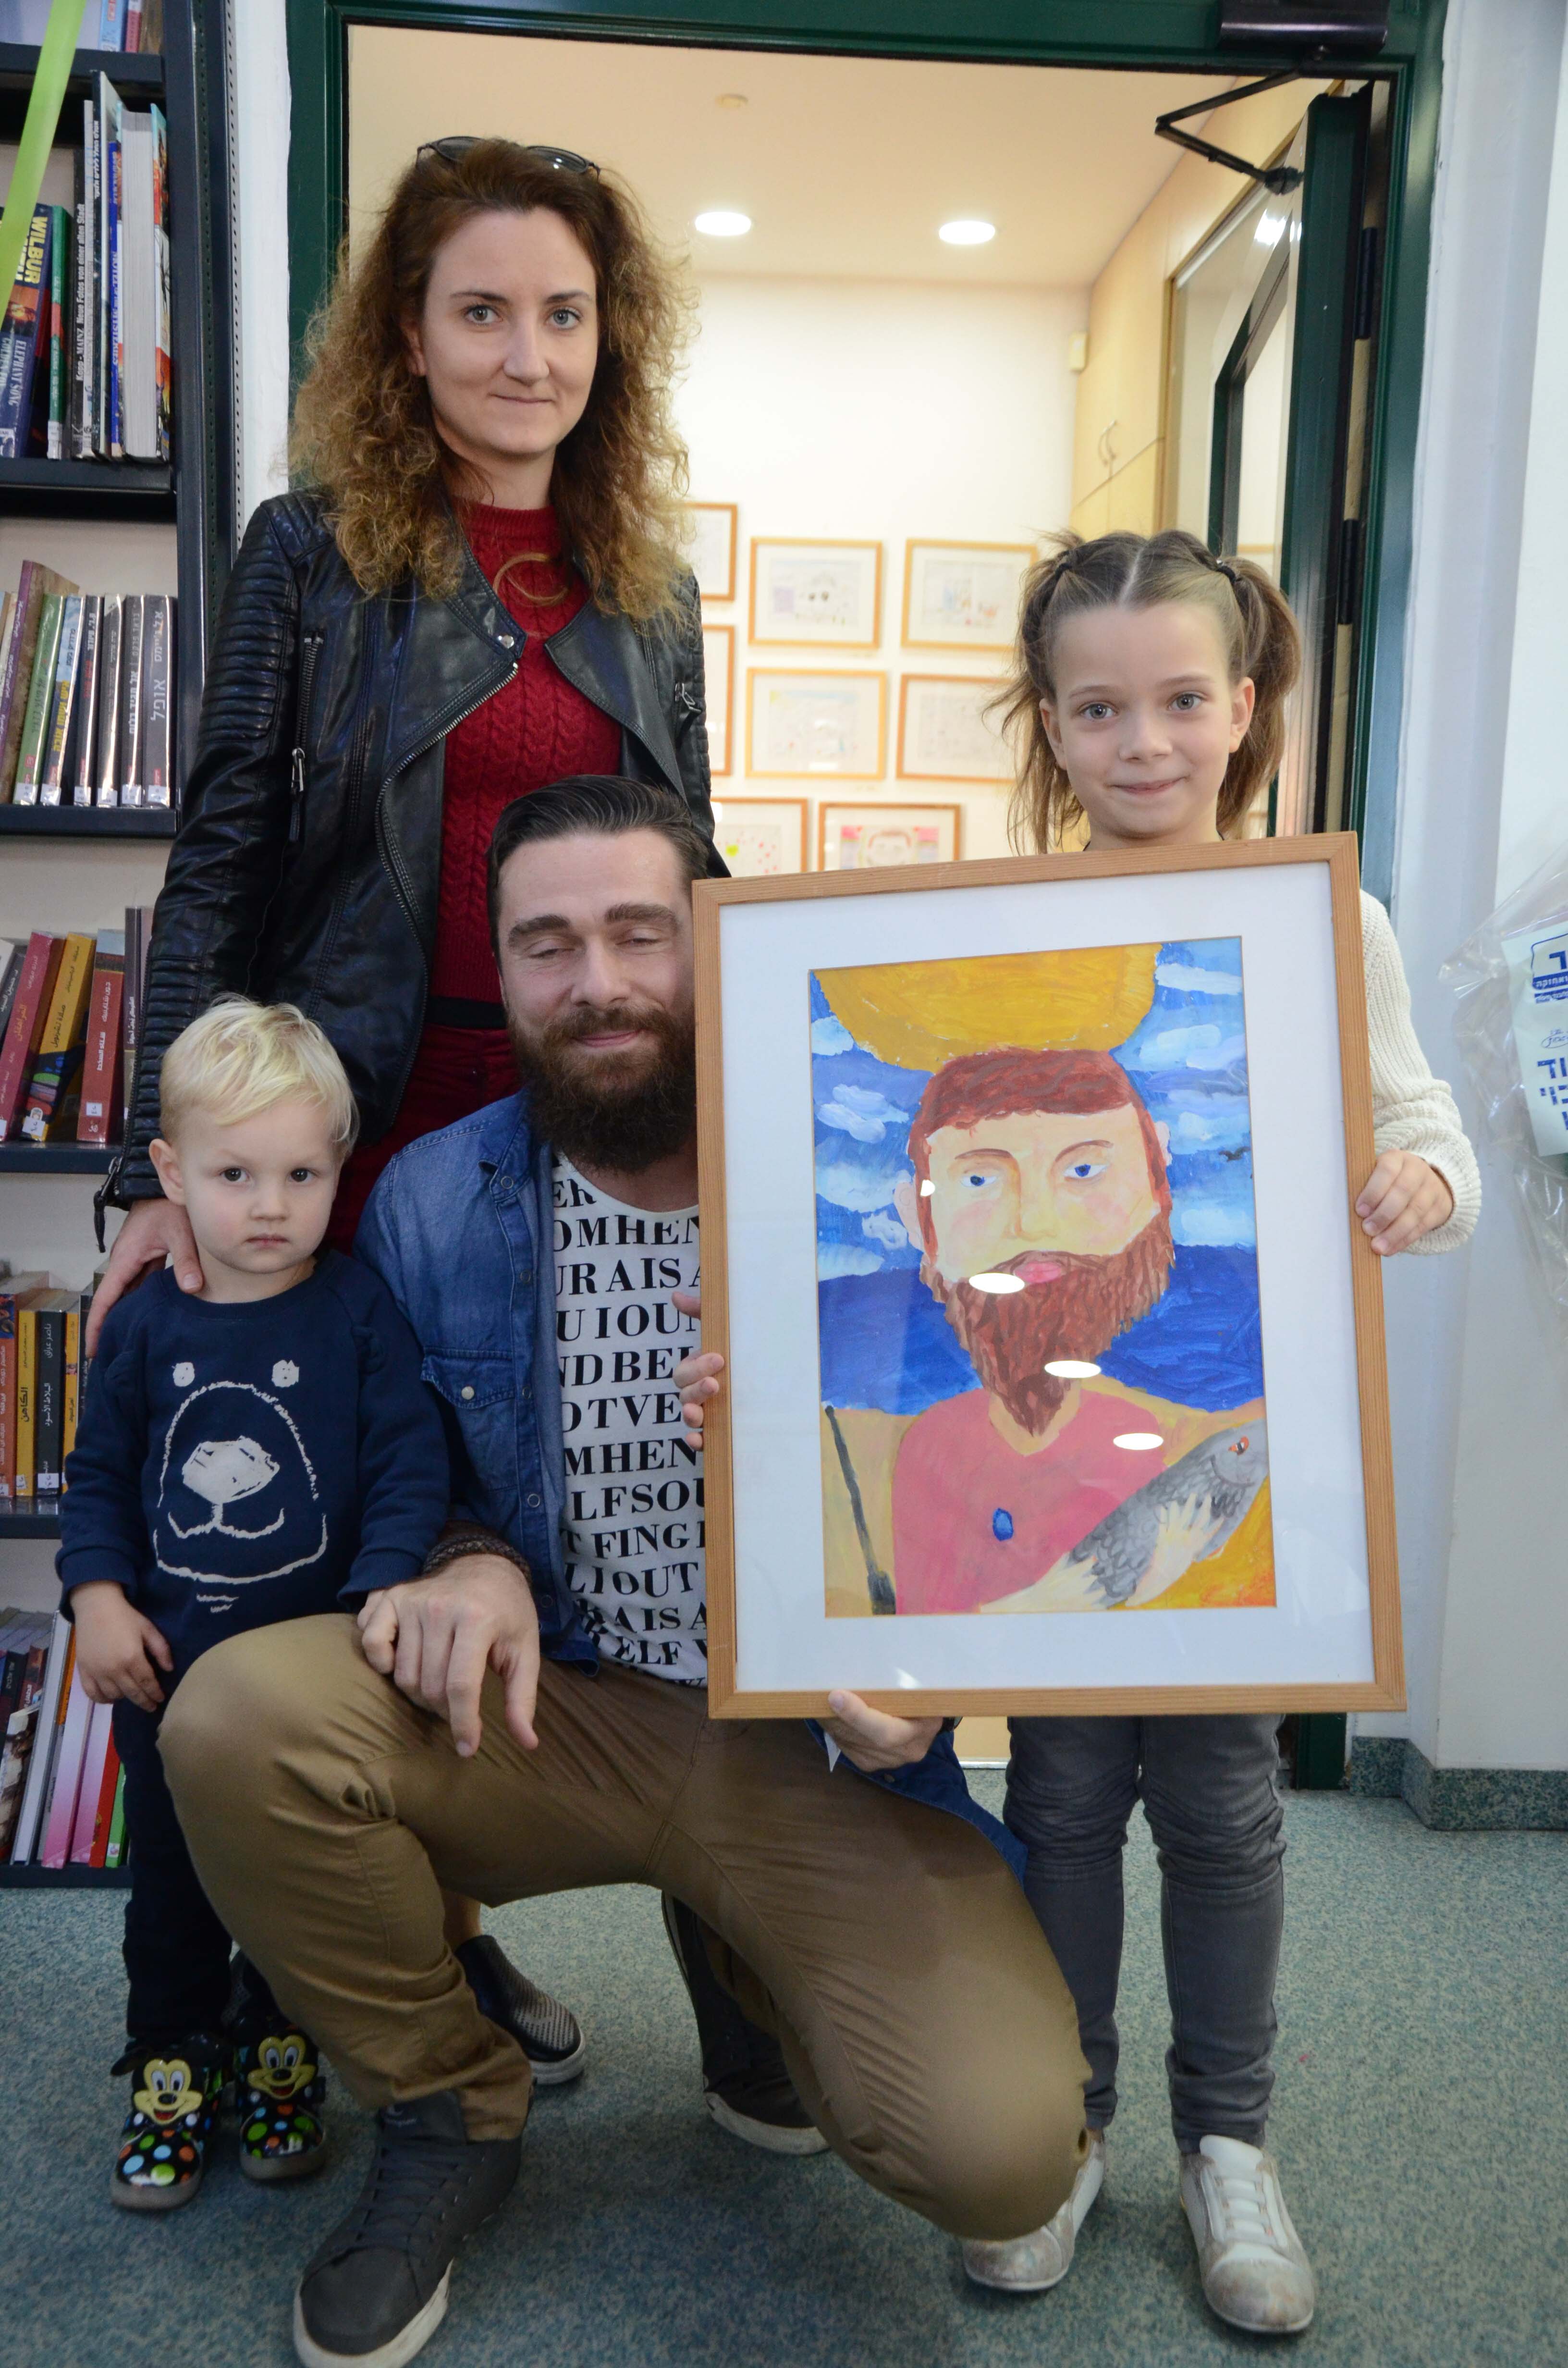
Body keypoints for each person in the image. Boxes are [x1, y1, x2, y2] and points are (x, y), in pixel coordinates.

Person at [157, 778, 1092, 2368]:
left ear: (713, 940)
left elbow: (999, 1478)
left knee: (1001, 2150)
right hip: (559, 1710)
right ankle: (449, 2104)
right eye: (549, 944)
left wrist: (929, 1680)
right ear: (502, 972)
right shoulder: (433, 1198)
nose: (597, 981)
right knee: (239, 1718)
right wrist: (466, 1557)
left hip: (803, 1743)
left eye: (640, 933)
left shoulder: (881, 1179)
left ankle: (741, 1957)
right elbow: (399, 1468)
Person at [86, 134, 720, 2085]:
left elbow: (695, 885)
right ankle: (333, 1957)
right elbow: (218, 862)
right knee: (321, 1550)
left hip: (570, 1144)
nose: (528, 354)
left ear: (610, 340)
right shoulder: (313, 551)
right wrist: (144, 1173)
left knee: (524, 1526)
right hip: (349, 1135)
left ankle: (499, 1924)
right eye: (483, 311)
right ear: (409, 338)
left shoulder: (653, 585)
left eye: (565, 313)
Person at [957, 529, 1481, 2331]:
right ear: (1050, 723)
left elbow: (1425, 1125)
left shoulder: (1328, 922)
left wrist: (1419, 1181)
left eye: (1181, 699)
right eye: (1098, 709)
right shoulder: (1001, 931)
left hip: (1250, 1458)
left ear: (1244, 706)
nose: (1144, 741)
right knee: (1055, 1796)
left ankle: (1226, 2144)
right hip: (1053, 1448)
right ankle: (1068, 2123)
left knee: (1222, 1804)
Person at [57, 999, 451, 2209]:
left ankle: (283, 2049)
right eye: (235, 1175)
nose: (270, 1205)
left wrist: (386, 1584)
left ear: (339, 1173)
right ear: (172, 1173)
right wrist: (97, 1597)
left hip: (310, 1689)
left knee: (299, 1887)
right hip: (165, 1681)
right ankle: (172, 2062)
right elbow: (98, 1476)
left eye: (300, 1175)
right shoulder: (141, 1326)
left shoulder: (358, 1313)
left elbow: (409, 1462)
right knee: (173, 1894)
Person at [887, 1041, 1262, 1616]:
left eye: (1084, 1170)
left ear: (1156, 1177)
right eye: (980, 1179)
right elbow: (923, 1634)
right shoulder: (932, 1448)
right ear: (915, 1216)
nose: (1036, 1223)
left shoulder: (1156, 1437)